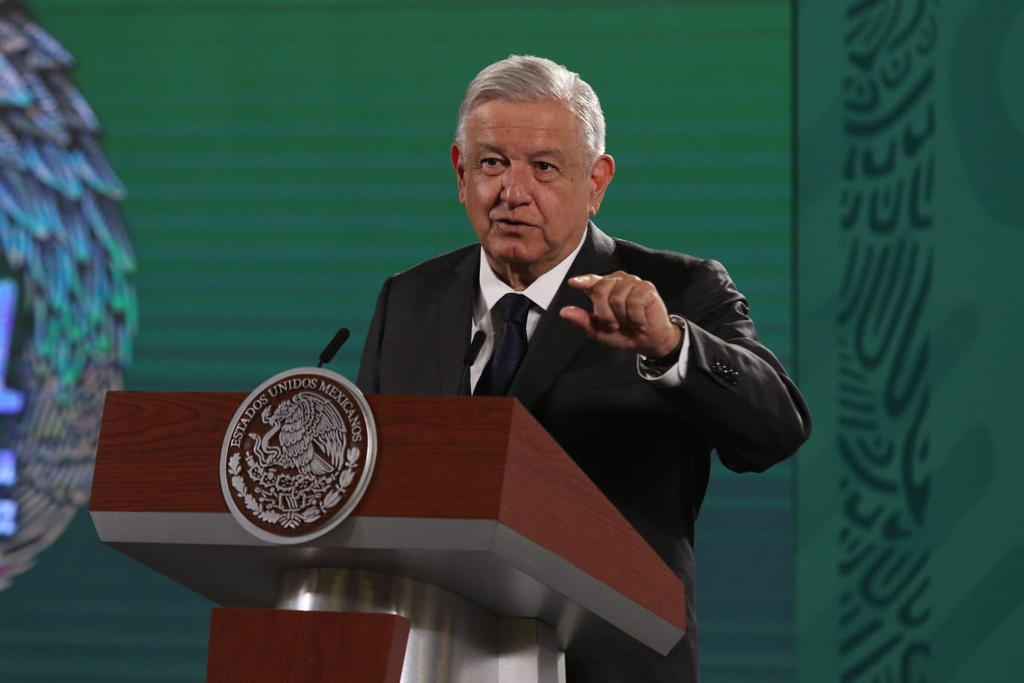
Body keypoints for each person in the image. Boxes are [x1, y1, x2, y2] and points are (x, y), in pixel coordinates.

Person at [357, 54, 810, 682]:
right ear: (461, 172)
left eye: (544, 167)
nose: (513, 192)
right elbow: (371, 492)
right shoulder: (408, 300)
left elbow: (776, 429)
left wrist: (669, 345)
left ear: (596, 182)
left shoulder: (677, 292)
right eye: (492, 164)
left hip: (608, 664)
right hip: (432, 657)